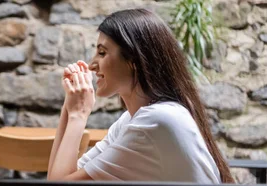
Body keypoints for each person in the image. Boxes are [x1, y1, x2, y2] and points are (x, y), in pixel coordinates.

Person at [46, 9, 234, 183]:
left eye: (102, 53)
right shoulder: (132, 120)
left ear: (133, 62)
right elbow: (59, 178)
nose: (91, 65)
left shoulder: (154, 122)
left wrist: (79, 114)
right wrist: (70, 106)